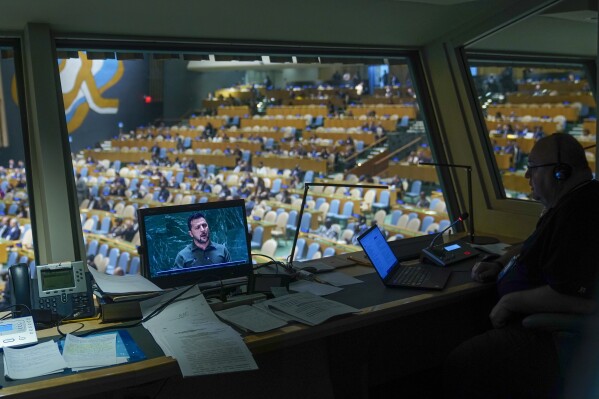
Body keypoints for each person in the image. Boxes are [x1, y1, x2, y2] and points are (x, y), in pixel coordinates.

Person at [444, 133, 599, 398]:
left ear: (559, 173)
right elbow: (533, 247)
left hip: (547, 334)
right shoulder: (566, 204)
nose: (527, 177)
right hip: (527, 323)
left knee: (461, 361)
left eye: (532, 169)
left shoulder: (580, 211)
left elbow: (580, 298)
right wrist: (502, 262)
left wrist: (511, 302)